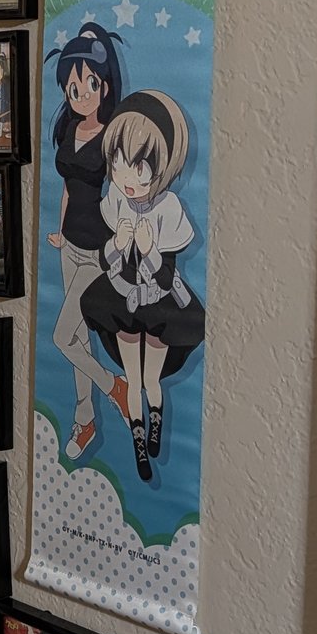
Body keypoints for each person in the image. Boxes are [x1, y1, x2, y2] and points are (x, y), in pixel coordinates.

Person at [77, 89, 205, 481]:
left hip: (161, 304)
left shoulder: (169, 209)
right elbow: (106, 262)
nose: (126, 176)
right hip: (123, 300)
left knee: (151, 379)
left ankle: (155, 425)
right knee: (134, 379)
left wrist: (149, 250)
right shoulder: (116, 197)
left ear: (162, 166)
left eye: (139, 166)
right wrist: (116, 244)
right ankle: (138, 440)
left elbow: (167, 277)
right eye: (117, 162)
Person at [43, 23, 128, 457]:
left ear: (104, 85)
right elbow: (67, 189)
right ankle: (85, 420)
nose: (81, 95)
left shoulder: (112, 137)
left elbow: (123, 193)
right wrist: (60, 232)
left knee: (62, 337)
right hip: (70, 246)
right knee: (78, 337)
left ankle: (115, 388)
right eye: (73, 88)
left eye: (89, 85)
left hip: (98, 250)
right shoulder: (68, 130)